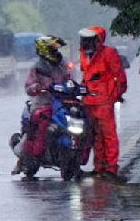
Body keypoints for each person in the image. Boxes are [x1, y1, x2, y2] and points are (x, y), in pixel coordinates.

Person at [12, 35, 71, 175]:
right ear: (44, 50)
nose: (56, 52)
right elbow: (29, 86)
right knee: (38, 123)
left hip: (63, 102)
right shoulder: (37, 68)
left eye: (56, 49)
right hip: (42, 102)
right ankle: (26, 156)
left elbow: (70, 80)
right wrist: (37, 88)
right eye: (53, 49)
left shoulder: (63, 64)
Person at [78, 26, 127, 179]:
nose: (84, 42)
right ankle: (99, 166)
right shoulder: (85, 55)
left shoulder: (108, 53)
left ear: (97, 40)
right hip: (89, 101)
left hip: (104, 101)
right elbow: (87, 75)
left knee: (108, 135)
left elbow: (119, 75)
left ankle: (111, 167)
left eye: (88, 39)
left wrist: (117, 94)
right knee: (95, 135)